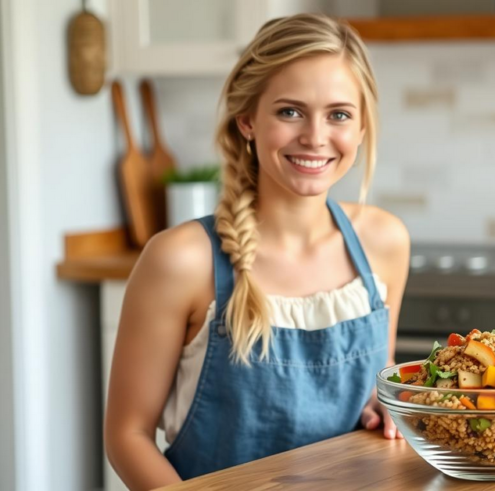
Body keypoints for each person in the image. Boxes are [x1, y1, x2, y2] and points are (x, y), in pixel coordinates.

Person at [104, 13, 410, 489]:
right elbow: (128, 435)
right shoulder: (180, 260)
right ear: (247, 120)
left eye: (339, 114)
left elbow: (374, 390)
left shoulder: (384, 242)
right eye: (290, 111)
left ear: (362, 127)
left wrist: (379, 406)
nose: (314, 136)